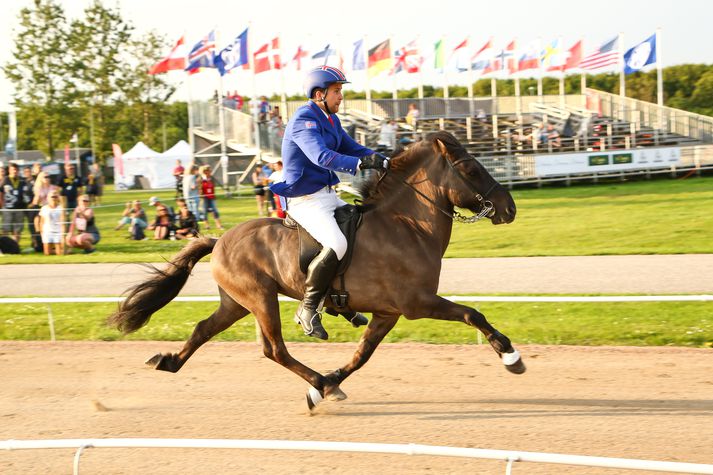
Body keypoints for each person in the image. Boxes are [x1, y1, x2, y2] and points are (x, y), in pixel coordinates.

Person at [269, 66, 389, 340]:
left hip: (326, 195)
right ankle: (308, 308)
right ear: (319, 93)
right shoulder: (304, 119)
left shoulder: (331, 120)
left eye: (341, 91)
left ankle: (341, 303)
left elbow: (352, 148)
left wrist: (381, 159)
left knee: (360, 228)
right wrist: (361, 164)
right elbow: (321, 157)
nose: (341, 97)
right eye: (337, 92)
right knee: (337, 244)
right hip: (304, 200)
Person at [1, 163, 31, 244]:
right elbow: (0, 192)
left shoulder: (22, 181)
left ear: (18, 171)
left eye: (16, 170)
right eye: (12, 170)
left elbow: (25, 194)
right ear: (9, 170)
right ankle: (4, 246)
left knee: (17, 230)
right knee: (6, 228)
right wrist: (2, 204)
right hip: (7, 209)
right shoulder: (5, 179)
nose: (14, 171)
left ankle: (15, 247)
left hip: (19, 208)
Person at [38, 191, 65, 255]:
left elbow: (63, 222)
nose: (54, 198)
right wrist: (42, 232)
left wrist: (63, 234)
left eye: (55, 197)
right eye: (52, 196)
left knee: (59, 253)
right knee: (47, 253)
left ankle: (63, 250)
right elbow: (41, 222)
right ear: (48, 198)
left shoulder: (61, 208)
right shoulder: (44, 208)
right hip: (47, 231)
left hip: (58, 231)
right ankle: (63, 250)